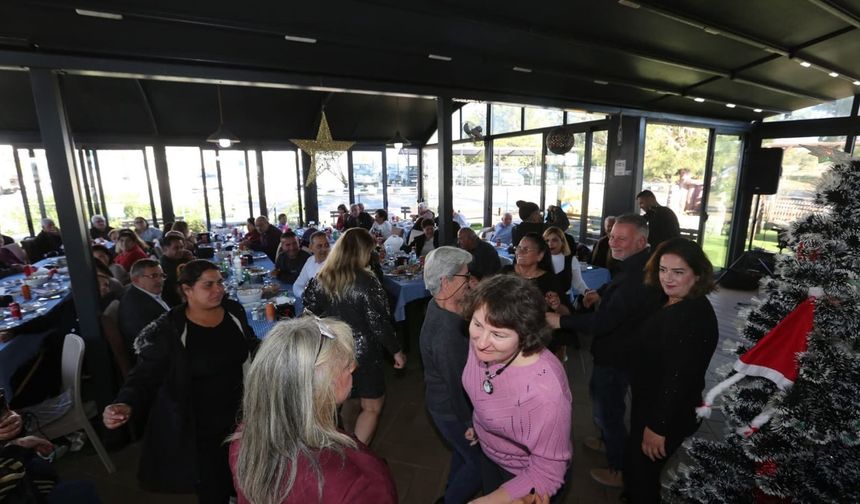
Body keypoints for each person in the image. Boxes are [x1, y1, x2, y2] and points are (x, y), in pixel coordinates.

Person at [103, 260, 258, 503]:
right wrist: (124, 402)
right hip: (200, 426)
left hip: (243, 417)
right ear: (187, 290)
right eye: (208, 285)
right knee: (214, 487)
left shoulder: (233, 311)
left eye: (219, 282)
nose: (218, 289)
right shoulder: (171, 330)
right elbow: (145, 373)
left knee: (247, 479)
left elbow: (249, 346)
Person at [545, 214, 663, 489]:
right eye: (612, 236)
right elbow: (617, 289)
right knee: (606, 402)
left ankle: (618, 468)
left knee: (608, 409)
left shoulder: (638, 276)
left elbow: (603, 321)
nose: (613, 243)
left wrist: (560, 320)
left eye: (622, 238)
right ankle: (605, 439)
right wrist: (600, 293)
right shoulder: (637, 265)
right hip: (622, 348)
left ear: (641, 241)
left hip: (617, 353)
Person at [229, 316, 397, 504]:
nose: (354, 367)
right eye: (346, 365)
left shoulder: (243, 439)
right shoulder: (361, 481)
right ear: (323, 387)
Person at [462, 274, 572, 502]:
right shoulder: (486, 347)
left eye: (498, 334)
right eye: (477, 324)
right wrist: (481, 425)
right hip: (489, 454)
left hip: (525, 474)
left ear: (525, 335)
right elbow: (489, 394)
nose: (481, 342)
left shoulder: (545, 392)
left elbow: (548, 472)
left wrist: (486, 501)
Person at [624, 238, 718, 503]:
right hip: (651, 402)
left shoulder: (690, 316)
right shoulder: (671, 301)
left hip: (666, 412)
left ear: (697, 275)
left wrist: (658, 426)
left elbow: (679, 377)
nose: (668, 278)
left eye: (678, 272)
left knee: (642, 479)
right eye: (663, 269)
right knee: (637, 472)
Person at [303, 228, 406, 445]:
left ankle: (346, 444)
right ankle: (357, 453)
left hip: (333, 351)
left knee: (343, 399)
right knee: (372, 407)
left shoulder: (321, 277)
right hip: (365, 353)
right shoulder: (367, 280)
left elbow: (309, 315)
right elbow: (378, 321)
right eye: (369, 251)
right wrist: (396, 350)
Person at [420, 247, 482, 504]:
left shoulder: (438, 304)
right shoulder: (447, 332)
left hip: (444, 403)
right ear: (446, 282)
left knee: (462, 453)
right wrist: (471, 423)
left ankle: (449, 493)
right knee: (480, 465)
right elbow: (458, 385)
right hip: (451, 408)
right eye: (465, 277)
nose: (470, 282)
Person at [117, 259, 169, 362]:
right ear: (136, 280)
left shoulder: (147, 292)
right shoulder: (136, 307)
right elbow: (152, 344)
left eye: (161, 276)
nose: (160, 280)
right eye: (153, 276)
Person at [292, 231, 330, 298]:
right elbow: (297, 285)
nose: (324, 249)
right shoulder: (310, 261)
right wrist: (304, 295)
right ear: (311, 248)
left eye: (326, 245)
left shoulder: (336, 263)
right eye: (319, 246)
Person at [159, 233, 192, 307]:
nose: (181, 250)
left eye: (182, 247)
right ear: (165, 249)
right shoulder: (164, 267)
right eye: (176, 248)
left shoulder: (179, 259)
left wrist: (191, 260)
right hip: (177, 303)